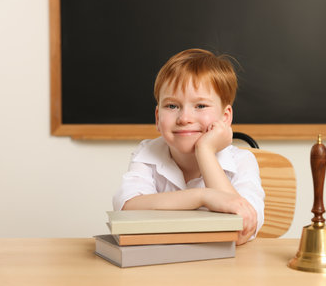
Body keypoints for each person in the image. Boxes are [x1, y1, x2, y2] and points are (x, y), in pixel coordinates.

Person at [113, 48, 265, 245]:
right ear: (158, 118)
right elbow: (126, 211)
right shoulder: (147, 153)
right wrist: (202, 197)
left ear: (225, 117)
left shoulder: (242, 162)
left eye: (200, 106)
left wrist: (205, 152)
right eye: (172, 106)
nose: (184, 118)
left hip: (222, 269)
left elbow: (240, 230)